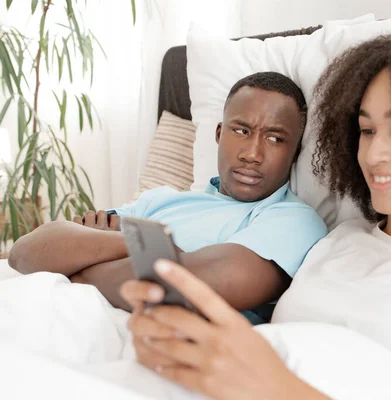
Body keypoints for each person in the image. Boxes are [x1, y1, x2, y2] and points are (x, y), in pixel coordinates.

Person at [121, 9, 391, 400]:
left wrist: (277, 391)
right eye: (367, 130)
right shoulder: (337, 242)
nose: (374, 155)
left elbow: (270, 377)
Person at [8, 72, 328, 324]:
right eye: (241, 131)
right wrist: (152, 246)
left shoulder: (293, 219)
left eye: (275, 138)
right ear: (219, 134)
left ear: (294, 152)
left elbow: (188, 287)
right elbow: (25, 253)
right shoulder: (161, 200)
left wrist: (79, 265)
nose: (252, 154)